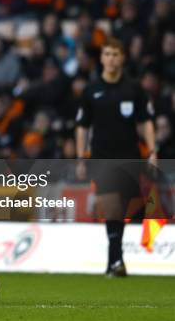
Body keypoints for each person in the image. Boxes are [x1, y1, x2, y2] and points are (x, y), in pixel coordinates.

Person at [75, 37, 156, 277]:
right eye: (107, 54)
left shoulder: (134, 89)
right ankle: (116, 260)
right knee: (112, 207)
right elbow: (82, 125)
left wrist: (153, 151)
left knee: (129, 209)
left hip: (131, 157)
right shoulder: (91, 90)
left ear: (122, 58)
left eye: (115, 54)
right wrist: (81, 157)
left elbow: (146, 122)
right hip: (102, 157)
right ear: (101, 58)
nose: (110, 58)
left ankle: (114, 262)